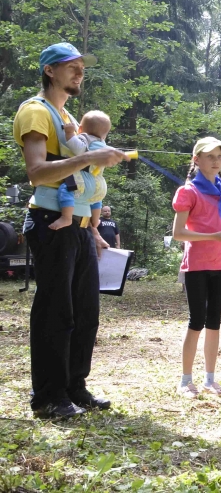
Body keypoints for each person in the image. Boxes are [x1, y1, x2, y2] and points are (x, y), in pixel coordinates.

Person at [13, 42, 128, 418]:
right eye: (71, 66)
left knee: (85, 311)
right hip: (51, 223)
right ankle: (49, 396)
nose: (79, 72)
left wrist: (93, 229)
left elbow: (80, 176)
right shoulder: (36, 112)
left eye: (82, 67)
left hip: (79, 228)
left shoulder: (67, 118)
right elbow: (37, 173)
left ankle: (75, 386)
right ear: (50, 71)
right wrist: (92, 155)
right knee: (56, 311)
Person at [171, 138, 221, 399]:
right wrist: (213, 236)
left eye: (219, 157)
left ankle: (210, 381)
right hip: (197, 265)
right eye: (209, 156)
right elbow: (179, 233)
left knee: (214, 321)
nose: (215, 161)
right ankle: (185, 381)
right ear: (196, 160)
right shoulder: (188, 191)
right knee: (196, 321)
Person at [49, 111, 112, 232]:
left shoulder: (86, 139)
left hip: (83, 181)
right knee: (96, 200)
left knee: (65, 190)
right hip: (100, 185)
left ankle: (66, 217)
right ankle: (95, 220)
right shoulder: (103, 145)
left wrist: (69, 133)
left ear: (81, 128)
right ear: (104, 135)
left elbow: (77, 148)